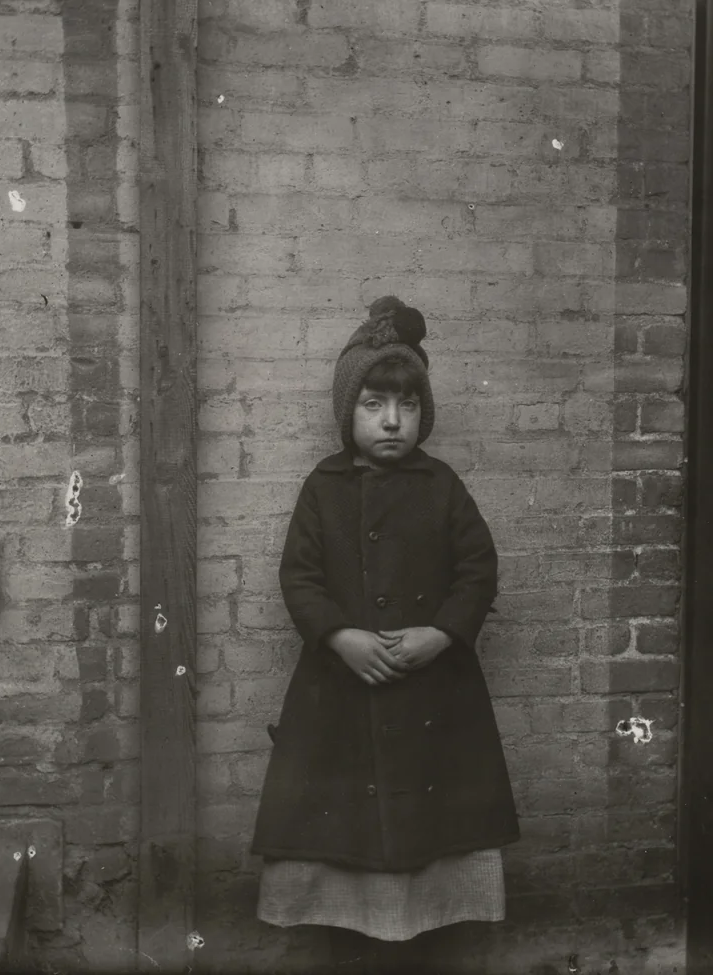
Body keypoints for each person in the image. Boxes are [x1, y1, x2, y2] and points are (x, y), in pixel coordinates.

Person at [251, 296, 520, 973]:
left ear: (423, 411)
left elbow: (477, 570)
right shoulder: (324, 487)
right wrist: (338, 635)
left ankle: (427, 944)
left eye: (406, 404)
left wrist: (443, 633)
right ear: (349, 411)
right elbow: (300, 577)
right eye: (374, 404)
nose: (393, 420)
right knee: (344, 845)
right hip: (341, 699)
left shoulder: (442, 486)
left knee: (429, 842)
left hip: (434, 698)